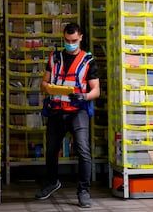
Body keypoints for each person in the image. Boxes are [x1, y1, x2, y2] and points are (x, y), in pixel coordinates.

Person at [35, 22, 100, 208]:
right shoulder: (54, 57)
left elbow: (96, 91)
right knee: (51, 150)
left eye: (73, 40)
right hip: (56, 110)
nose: (70, 43)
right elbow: (43, 83)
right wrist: (47, 87)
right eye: (66, 40)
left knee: (83, 150)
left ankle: (83, 191)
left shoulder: (88, 61)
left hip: (77, 111)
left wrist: (85, 96)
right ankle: (51, 182)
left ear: (80, 38)